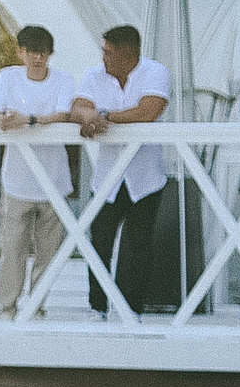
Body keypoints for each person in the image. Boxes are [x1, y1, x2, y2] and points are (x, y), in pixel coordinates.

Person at [71, 24, 173, 319]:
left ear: (128, 54)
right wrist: (90, 116)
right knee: (99, 243)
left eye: (108, 52)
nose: (103, 57)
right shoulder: (94, 75)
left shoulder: (155, 72)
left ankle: (133, 310)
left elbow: (149, 111)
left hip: (146, 177)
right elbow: (77, 106)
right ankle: (97, 307)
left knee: (139, 246)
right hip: (107, 176)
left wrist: (105, 117)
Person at [0, 25, 81, 317]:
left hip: (53, 179)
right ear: (21, 53)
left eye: (42, 53)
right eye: (31, 52)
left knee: (48, 251)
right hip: (16, 179)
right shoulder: (7, 76)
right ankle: (7, 306)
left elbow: (64, 114)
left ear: (50, 54)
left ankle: (37, 304)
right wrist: (2, 121)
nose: (37, 59)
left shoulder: (64, 79)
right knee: (12, 249)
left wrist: (28, 120)